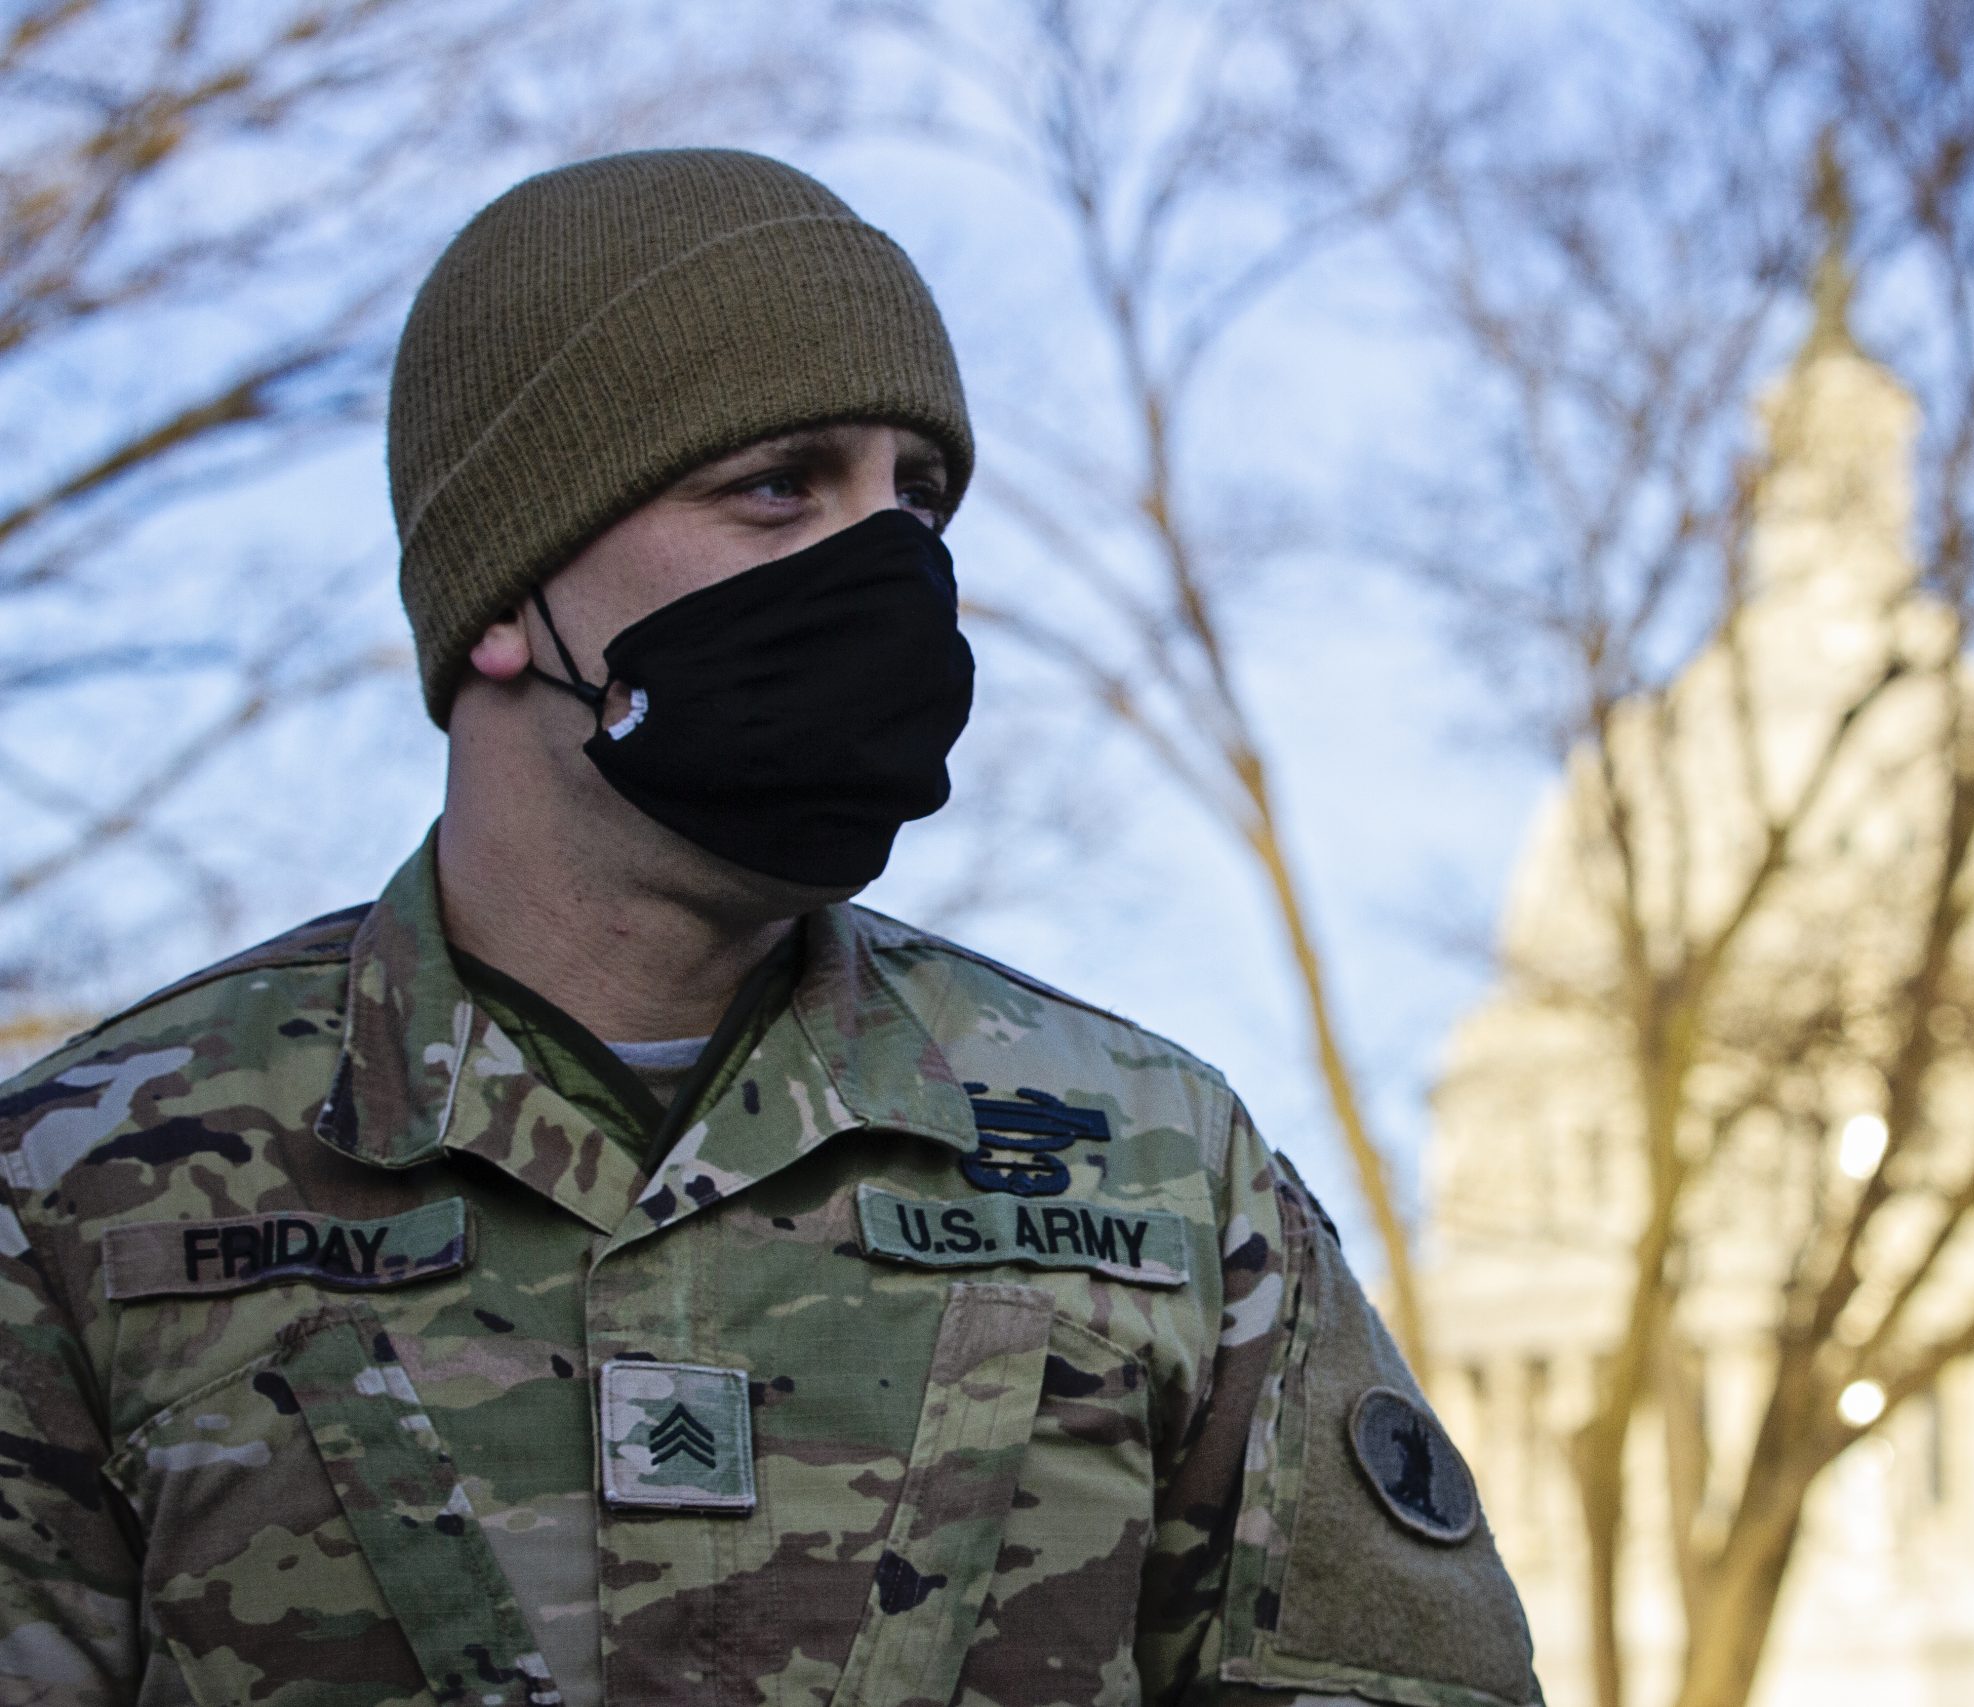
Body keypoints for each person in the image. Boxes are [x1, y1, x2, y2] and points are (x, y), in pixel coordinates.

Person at [0, 149, 1538, 1707]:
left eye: (916, 499)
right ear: (506, 594)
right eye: (779, 485)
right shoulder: (75, 1194)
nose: (890, 567)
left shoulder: (1159, 1169)